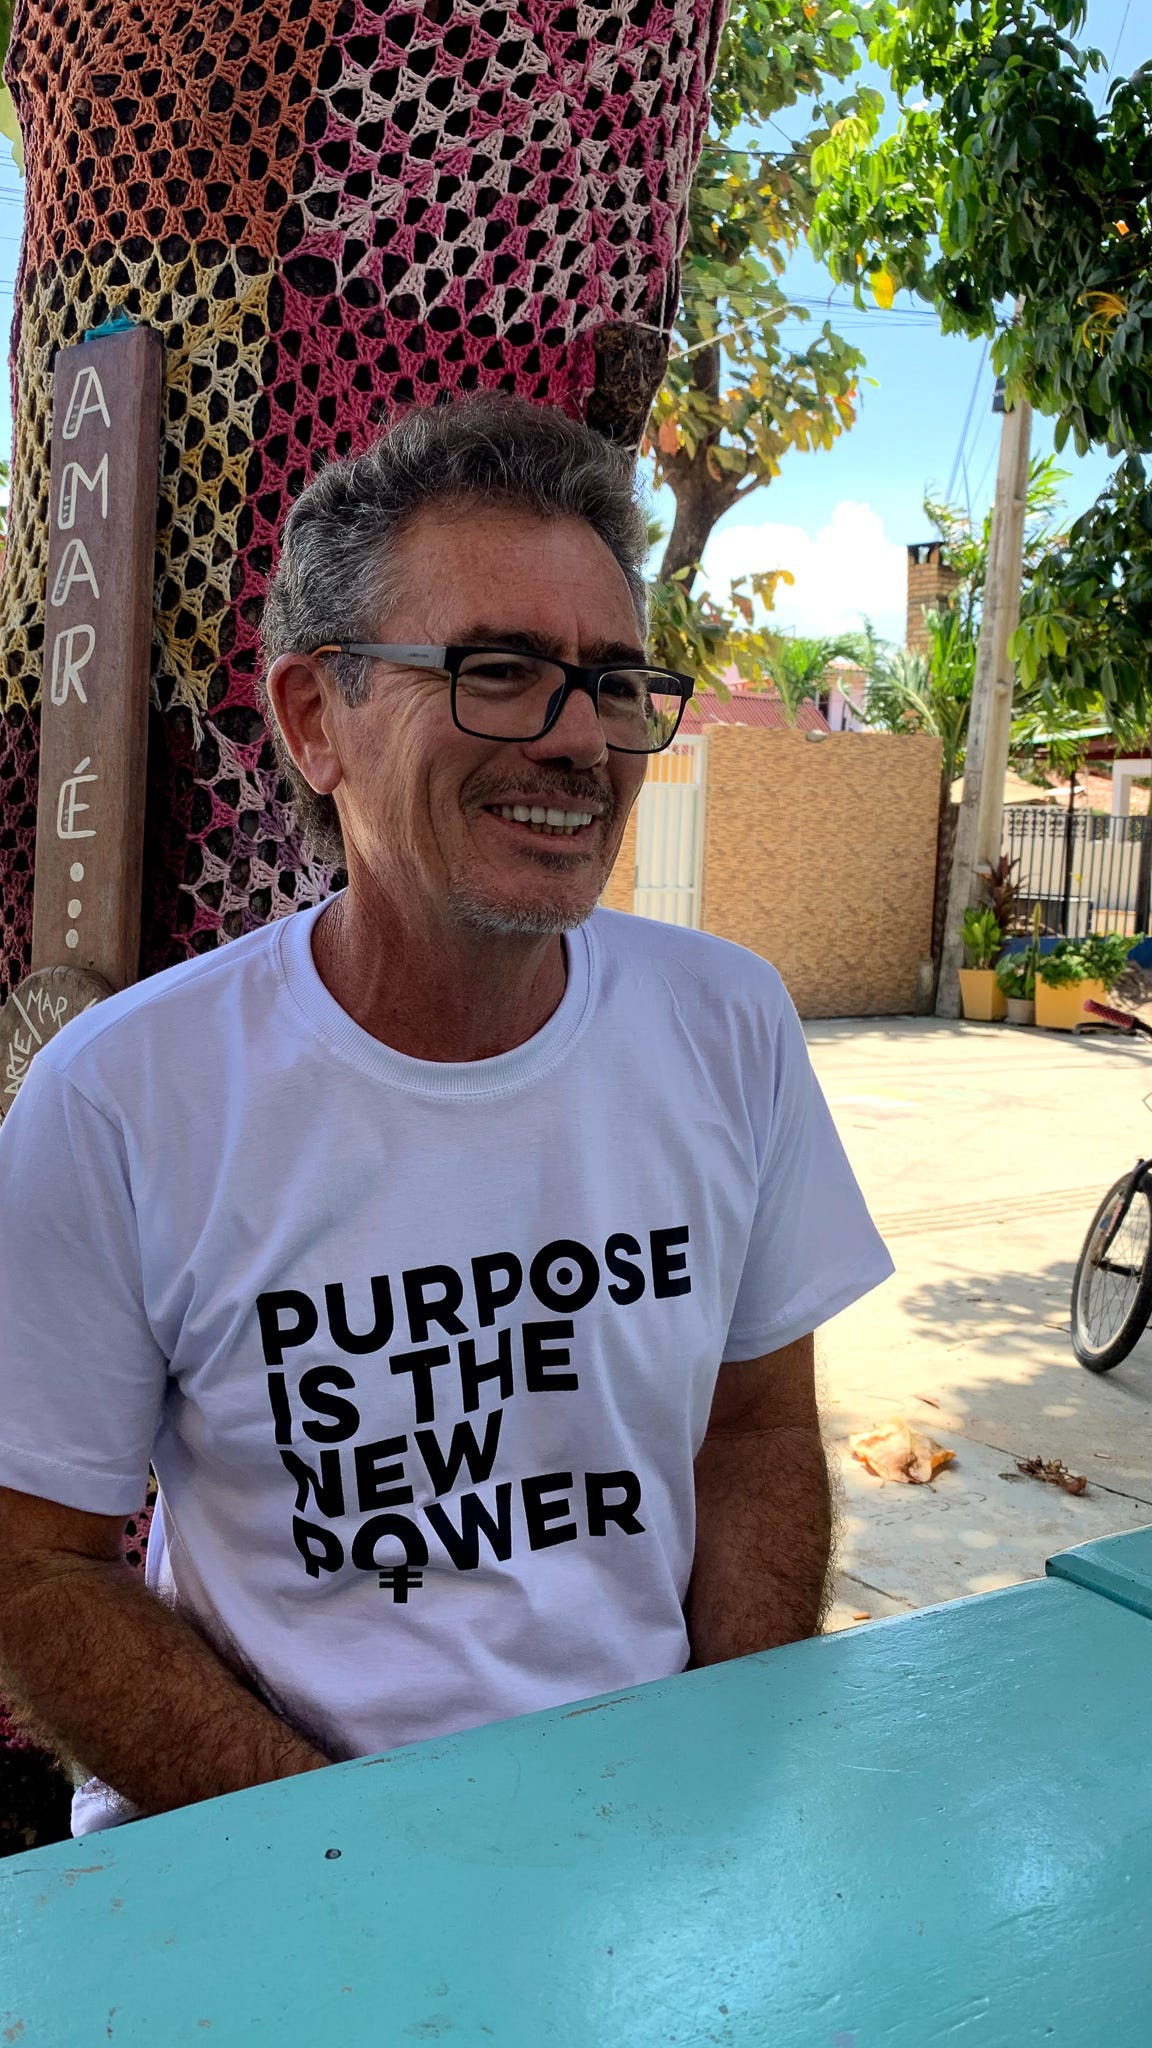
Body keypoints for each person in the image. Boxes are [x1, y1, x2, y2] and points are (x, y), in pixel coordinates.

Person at [0, 395, 893, 1839]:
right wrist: (360, 1852)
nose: (579, 739)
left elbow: (752, 1427)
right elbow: (36, 1567)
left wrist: (719, 1772)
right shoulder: (122, 1099)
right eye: (499, 670)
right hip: (266, 1853)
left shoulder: (726, 1025)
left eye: (611, 681)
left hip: (642, 1831)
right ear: (316, 721)